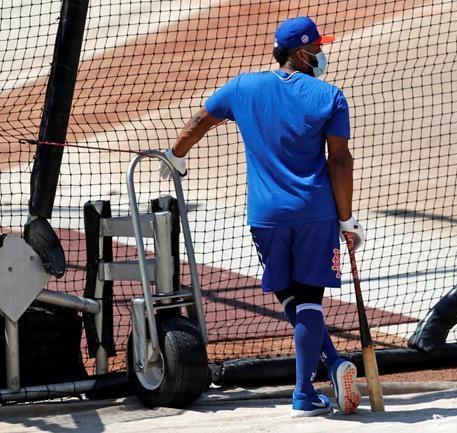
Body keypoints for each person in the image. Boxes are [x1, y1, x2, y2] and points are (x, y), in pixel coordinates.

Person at [159, 16, 365, 417]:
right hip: (316, 214)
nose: (322, 55)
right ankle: (307, 390)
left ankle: (330, 367)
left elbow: (201, 120)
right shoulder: (330, 96)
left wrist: (175, 155)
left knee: (287, 294)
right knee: (308, 300)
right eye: (318, 49)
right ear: (301, 54)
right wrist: (346, 218)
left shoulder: (242, 87)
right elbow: (340, 161)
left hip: (266, 215)